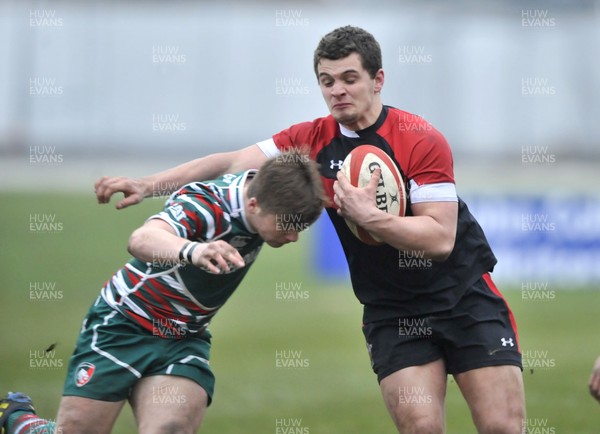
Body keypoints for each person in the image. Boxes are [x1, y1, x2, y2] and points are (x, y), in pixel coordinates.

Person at [94, 26, 525, 433]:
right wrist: (149, 184)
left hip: (465, 297)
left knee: (502, 425)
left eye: (349, 78)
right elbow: (229, 162)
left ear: (378, 79)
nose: (337, 90)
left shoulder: (419, 138)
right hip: (393, 311)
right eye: (326, 80)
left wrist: (371, 217)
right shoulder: (312, 140)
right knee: (421, 426)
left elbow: (440, 239)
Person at [0, 150, 325, 434]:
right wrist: (192, 251)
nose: (293, 238)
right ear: (253, 205)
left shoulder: (270, 185)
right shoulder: (206, 205)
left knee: (171, 429)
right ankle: (19, 419)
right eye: (288, 228)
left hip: (183, 338)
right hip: (123, 325)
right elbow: (141, 239)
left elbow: (225, 159)